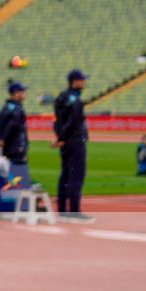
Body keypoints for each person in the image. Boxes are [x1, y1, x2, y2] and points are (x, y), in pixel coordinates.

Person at [51, 68, 89, 217]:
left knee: (65, 175)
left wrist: (60, 137)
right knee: (76, 176)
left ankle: (62, 208)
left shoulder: (61, 97)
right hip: (75, 141)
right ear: (75, 82)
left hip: (65, 143)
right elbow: (73, 122)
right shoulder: (75, 100)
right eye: (82, 80)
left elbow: (57, 121)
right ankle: (74, 210)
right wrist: (62, 137)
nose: (84, 83)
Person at [0, 80, 29, 187]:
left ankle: (13, 193)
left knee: (10, 175)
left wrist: (2, 139)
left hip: (9, 149)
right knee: (20, 177)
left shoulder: (6, 108)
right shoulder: (17, 109)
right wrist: (3, 139)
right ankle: (22, 200)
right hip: (16, 148)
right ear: (16, 93)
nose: (24, 94)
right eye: (22, 91)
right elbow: (12, 126)